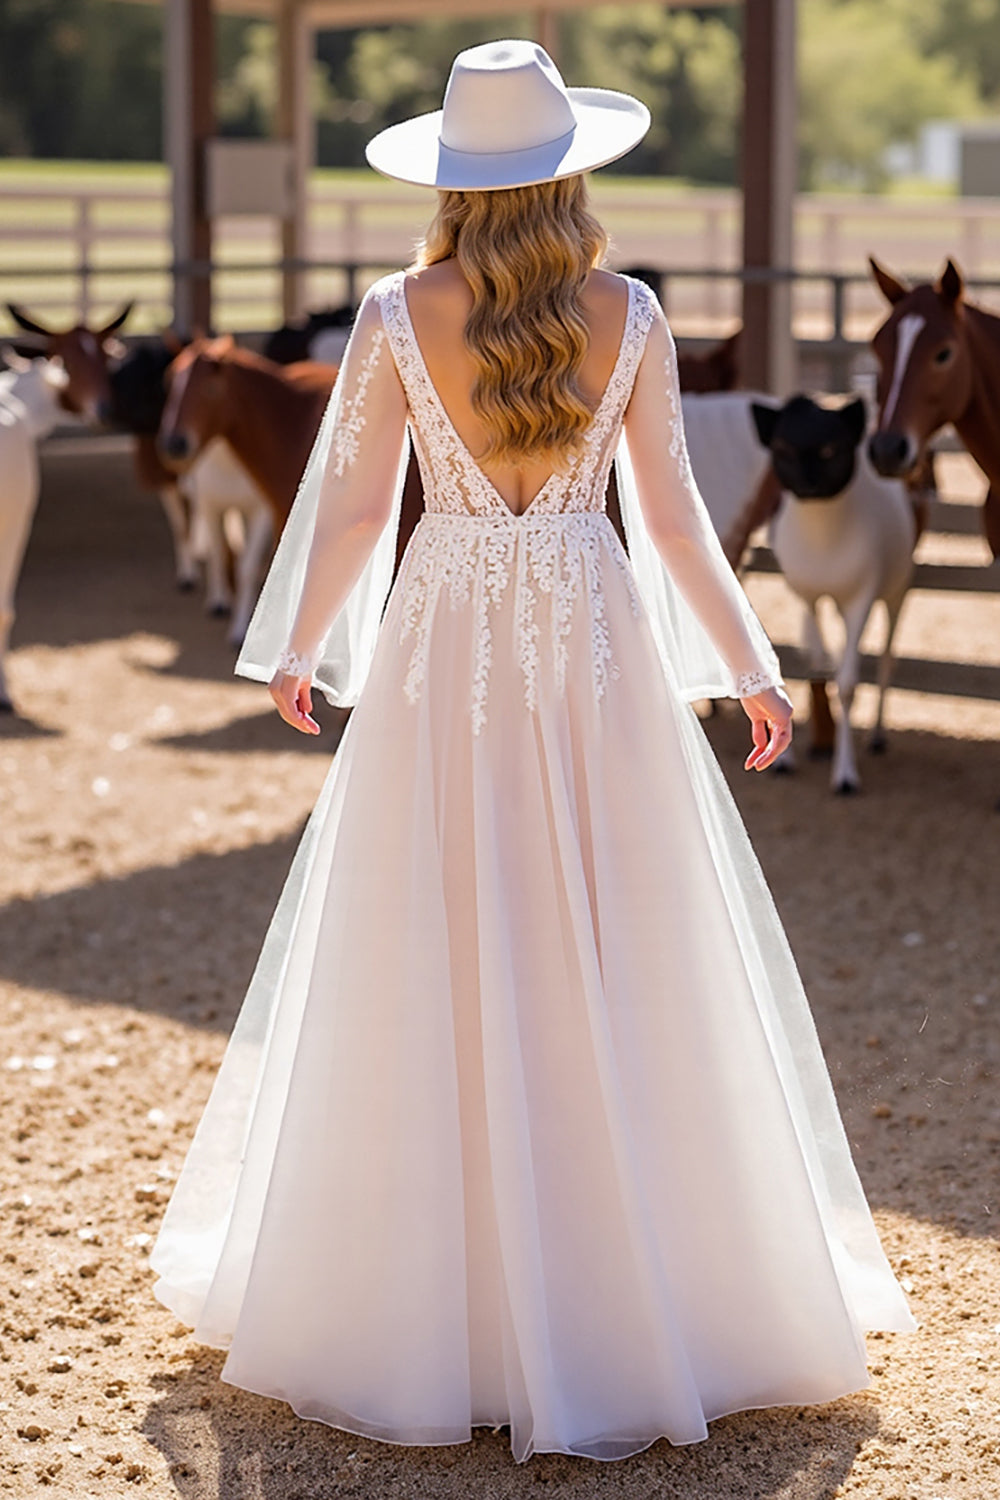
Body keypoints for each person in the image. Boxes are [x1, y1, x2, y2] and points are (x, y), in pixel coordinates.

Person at [150, 39, 916, 1464]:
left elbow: (360, 512)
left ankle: (456, 1302)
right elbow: (678, 523)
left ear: (451, 173)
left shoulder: (394, 313)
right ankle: (621, 1283)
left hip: (448, 642)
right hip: (591, 640)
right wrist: (750, 667)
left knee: (440, 938)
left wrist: (301, 650)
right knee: (612, 939)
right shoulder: (628, 311)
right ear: (571, 169)